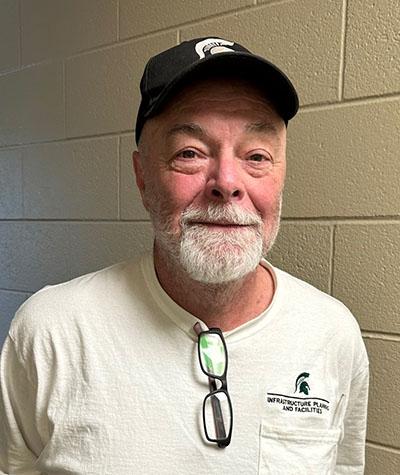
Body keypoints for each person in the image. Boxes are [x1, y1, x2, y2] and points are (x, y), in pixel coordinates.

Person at [0, 37, 368, 474]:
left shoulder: (332, 334)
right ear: (141, 176)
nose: (227, 183)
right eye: (189, 153)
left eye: (256, 156)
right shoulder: (50, 333)